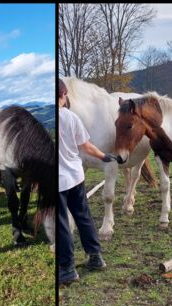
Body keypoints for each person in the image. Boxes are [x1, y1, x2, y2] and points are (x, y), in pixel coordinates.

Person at [59, 78, 117, 285]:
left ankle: (66, 269)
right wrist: (104, 156)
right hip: (76, 176)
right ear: (64, 95)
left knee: (62, 224)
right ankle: (95, 257)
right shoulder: (71, 117)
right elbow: (87, 146)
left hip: (60, 181)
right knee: (83, 216)